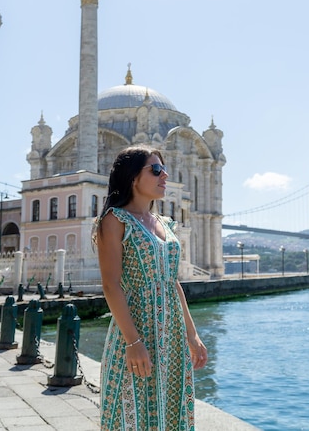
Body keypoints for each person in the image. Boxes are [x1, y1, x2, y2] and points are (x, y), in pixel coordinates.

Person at [95, 145, 207, 431]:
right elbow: (111, 285)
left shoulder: (165, 223)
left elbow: (172, 282)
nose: (164, 175)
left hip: (171, 336)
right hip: (136, 332)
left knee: (171, 412)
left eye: (163, 169)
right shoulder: (115, 220)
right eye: (155, 169)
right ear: (133, 177)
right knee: (131, 411)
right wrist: (133, 343)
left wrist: (191, 335)